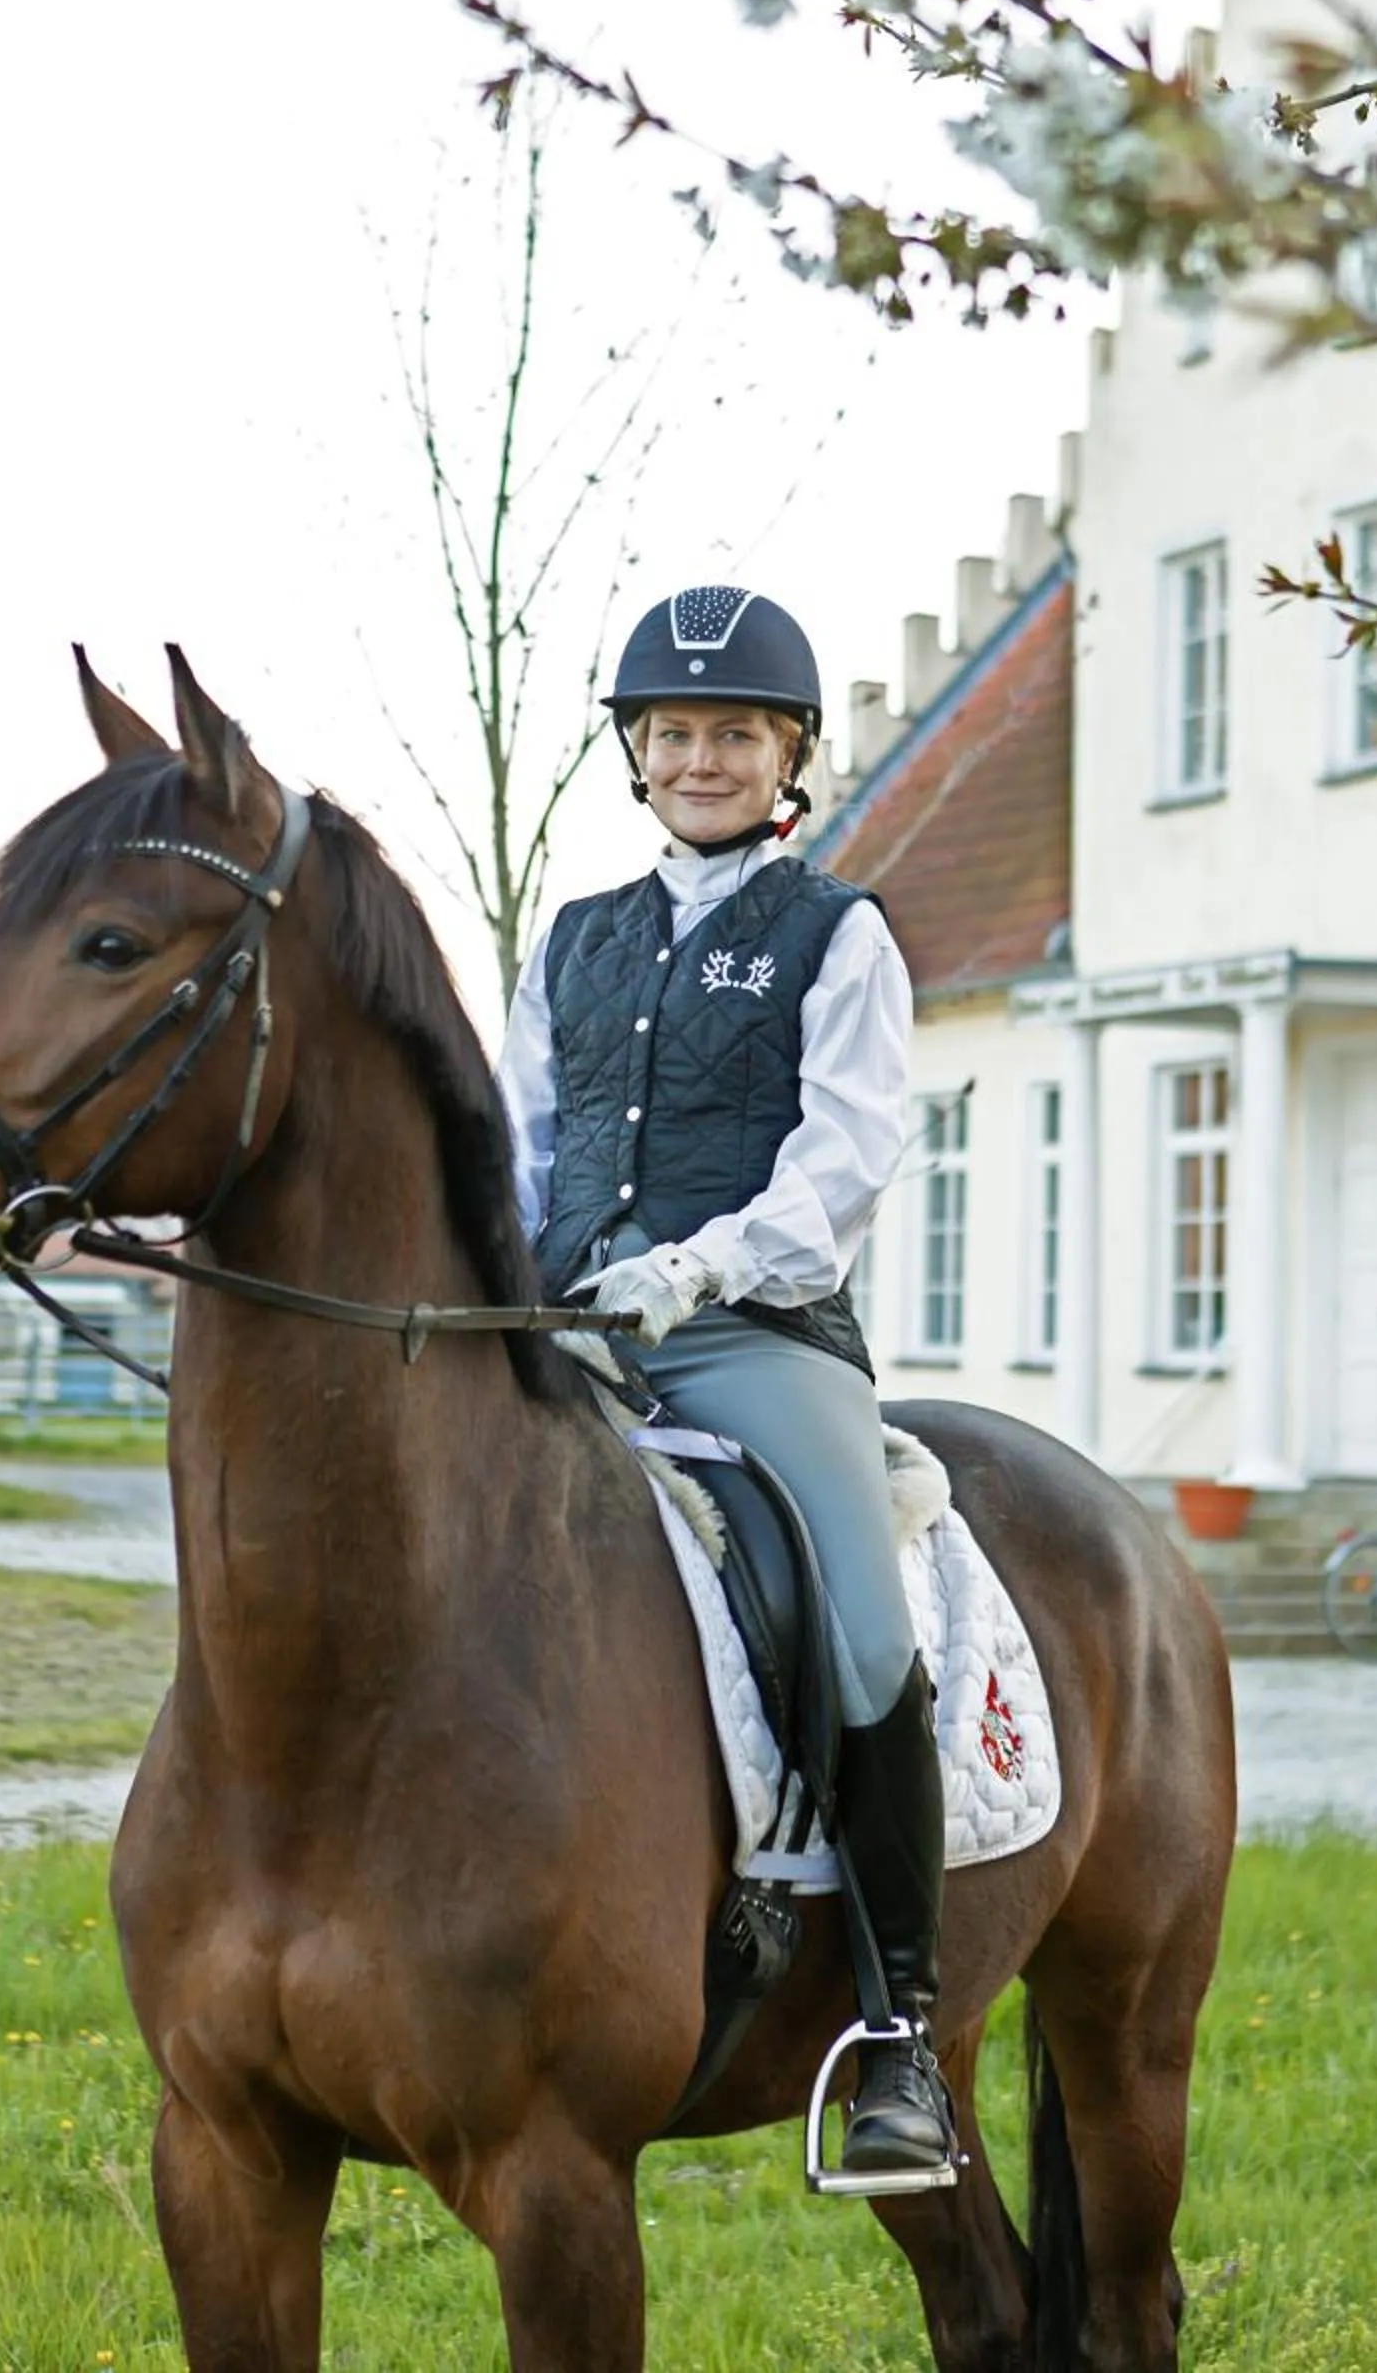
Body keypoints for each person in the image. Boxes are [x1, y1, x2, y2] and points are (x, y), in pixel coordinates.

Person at [498, 582, 956, 2181]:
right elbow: (522, 1143)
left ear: (790, 755)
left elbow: (845, 1162)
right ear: (636, 751)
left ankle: (902, 2032)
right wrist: (510, 1278)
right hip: (566, 1332)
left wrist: (695, 1268)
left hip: (750, 1336)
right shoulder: (574, 939)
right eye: (673, 731)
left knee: (862, 1606)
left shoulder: (841, 934)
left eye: (735, 733)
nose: (702, 757)